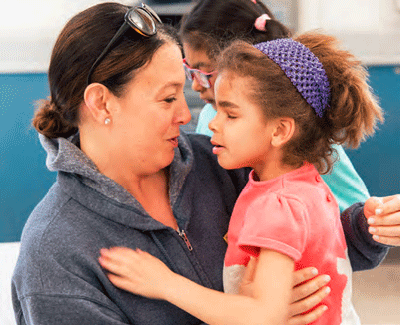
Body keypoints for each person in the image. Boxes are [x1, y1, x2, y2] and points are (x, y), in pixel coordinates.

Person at [11, 2, 400, 325]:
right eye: (167, 99)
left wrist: (362, 228)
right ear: (101, 103)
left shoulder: (222, 164)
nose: (187, 114)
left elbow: (304, 237)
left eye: (184, 92)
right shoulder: (53, 256)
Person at [99, 32, 384, 324]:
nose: (213, 123)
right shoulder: (305, 183)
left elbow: (261, 315)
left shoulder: (278, 205)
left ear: (280, 131)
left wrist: (164, 283)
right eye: (216, 109)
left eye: (230, 115)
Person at [180, 0, 370, 213]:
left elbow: (358, 211)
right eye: (190, 71)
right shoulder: (209, 117)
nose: (195, 85)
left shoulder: (283, 204)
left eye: (204, 72)